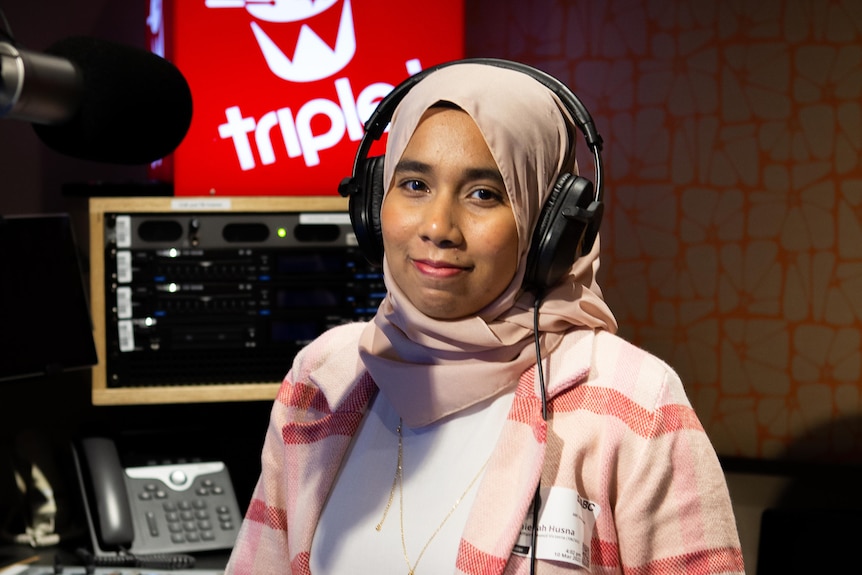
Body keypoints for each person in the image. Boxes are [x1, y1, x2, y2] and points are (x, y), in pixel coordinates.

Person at [224, 60, 745, 574]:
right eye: (414, 185)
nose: (438, 226)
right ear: (372, 203)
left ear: (549, 226)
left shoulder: (635, 401)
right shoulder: (323, 376)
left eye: (483, 194)